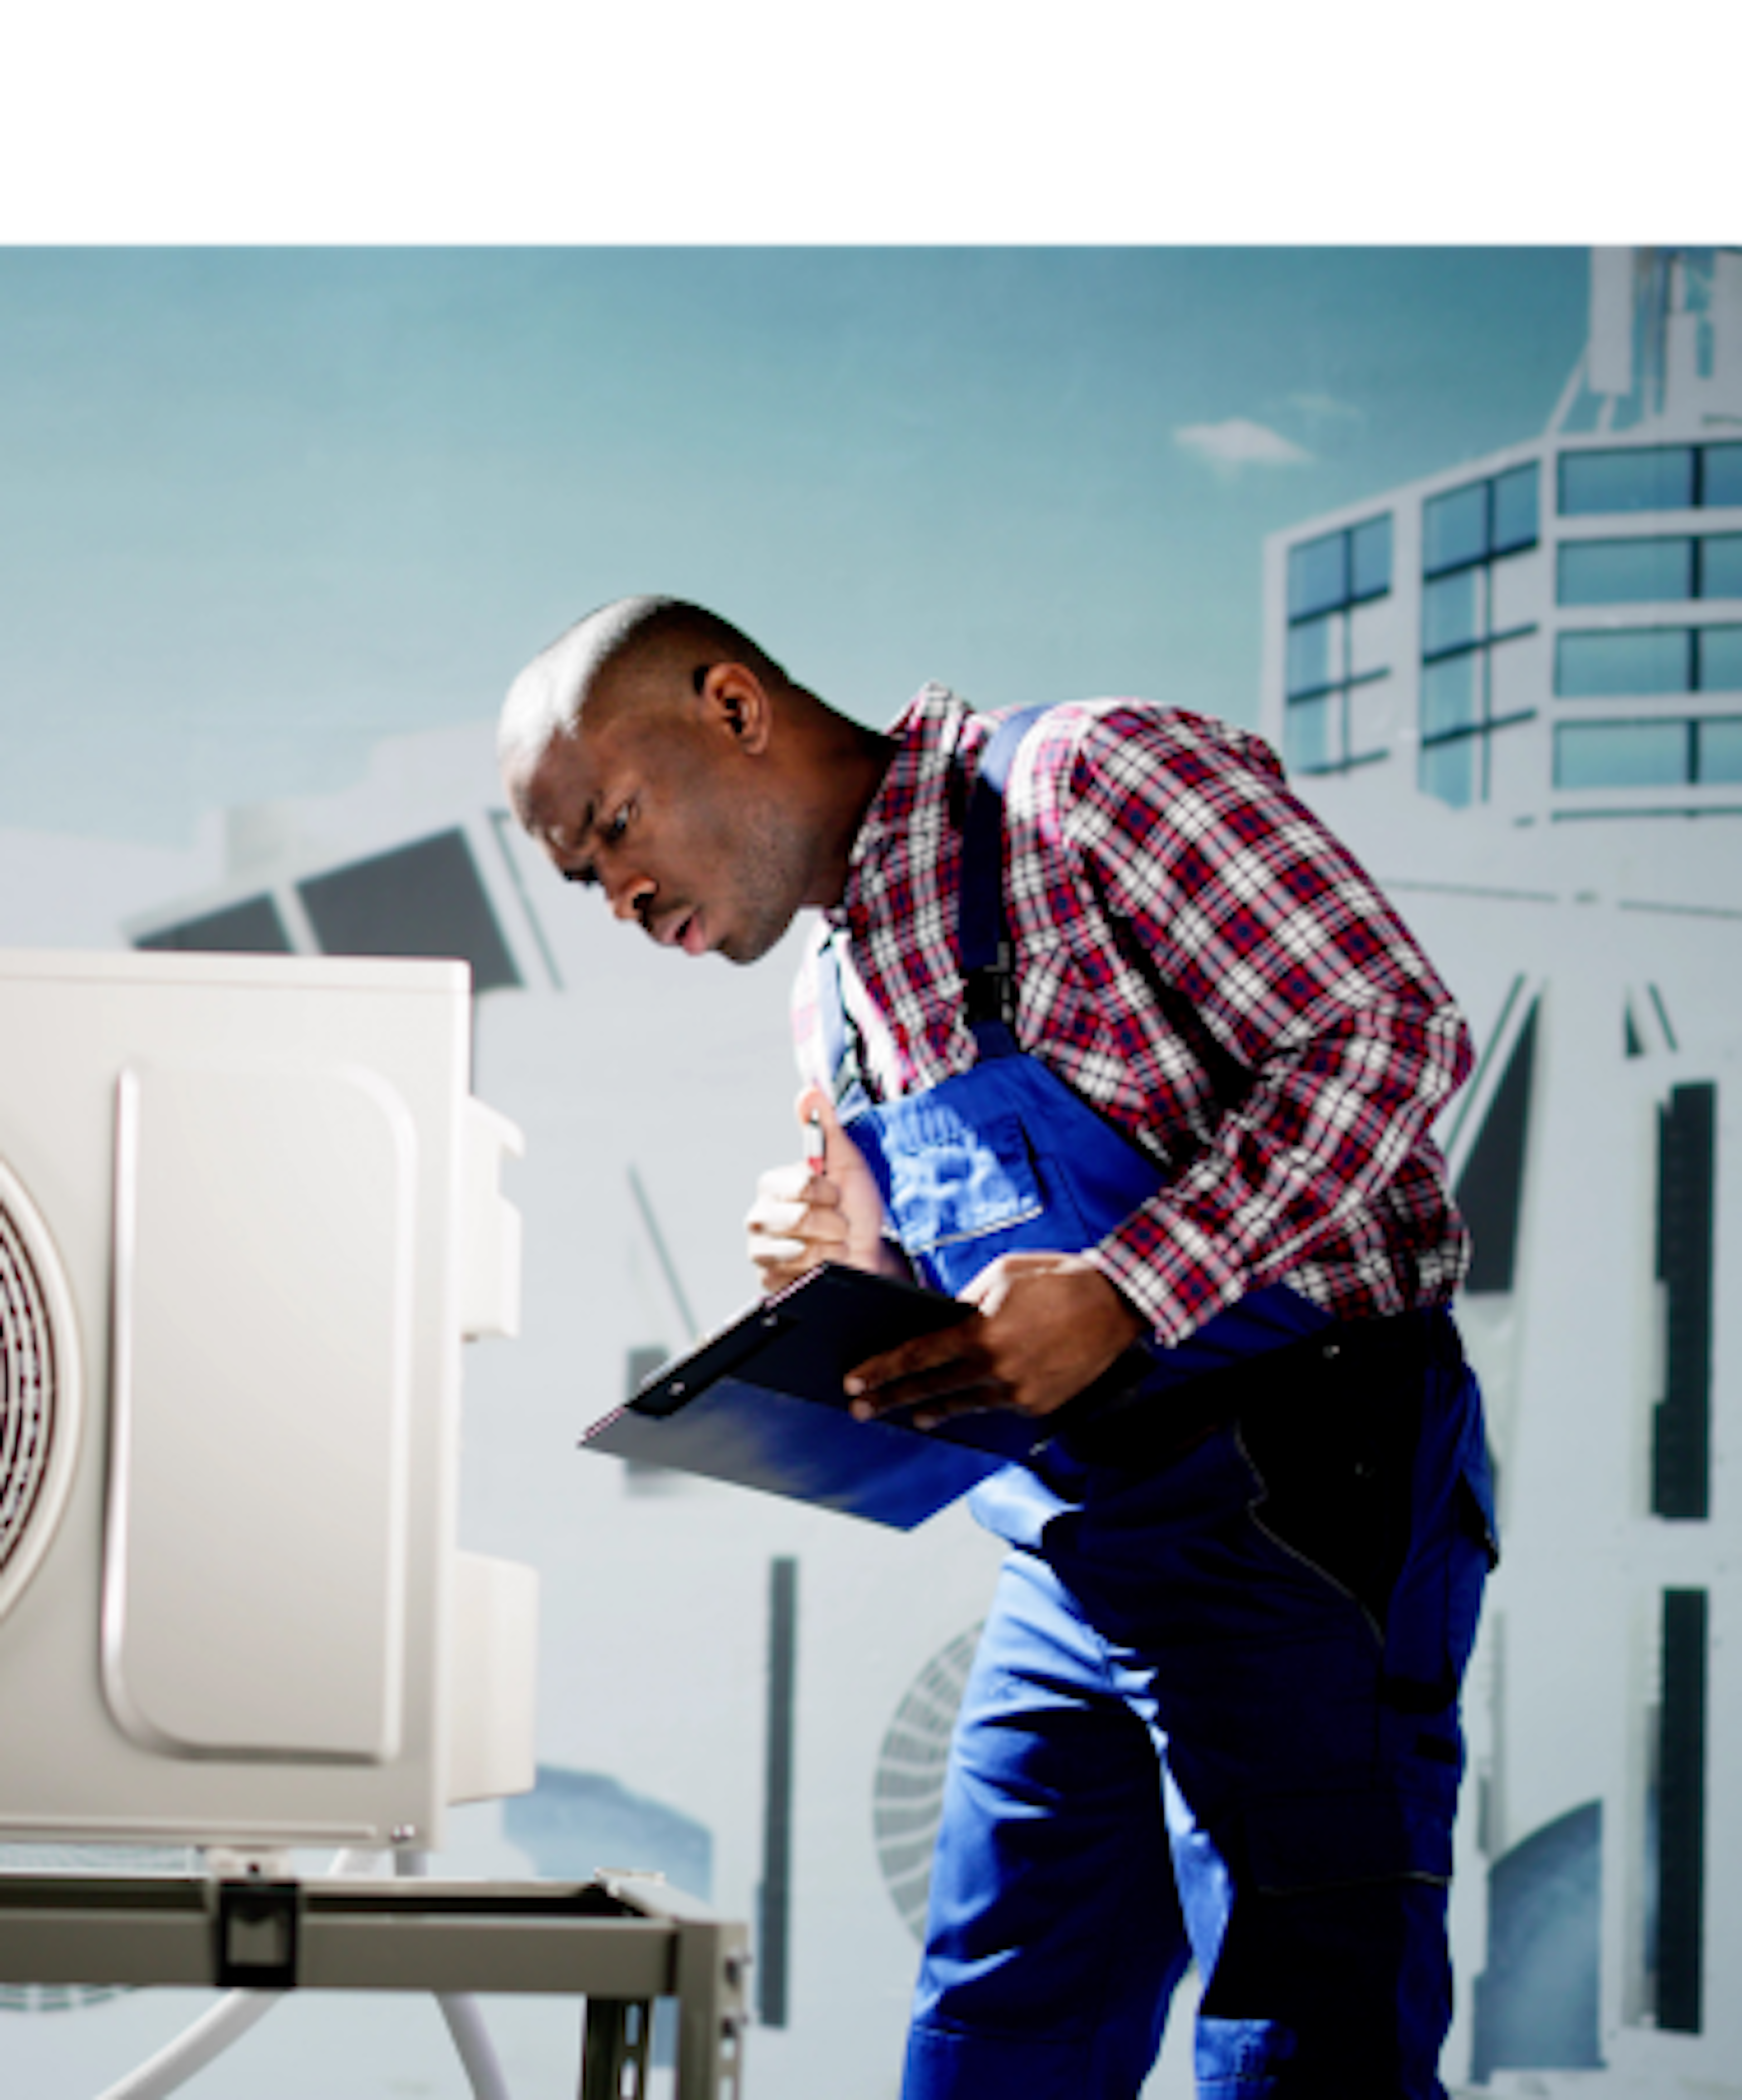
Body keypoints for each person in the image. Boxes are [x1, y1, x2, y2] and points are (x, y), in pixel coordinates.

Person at [499, 594, 1497, 2100]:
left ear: (734, 706)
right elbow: (993, 1294)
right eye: (584, 878)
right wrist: (851, 1268)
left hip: (1301, 1495)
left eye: (616, 823)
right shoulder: (830, 996)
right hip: (1071, 1547)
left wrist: (1129, 1286)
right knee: (993, 2040)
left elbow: (1390, 1032)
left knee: (1299, 2042)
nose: (622, 892)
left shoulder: (1088, 787)